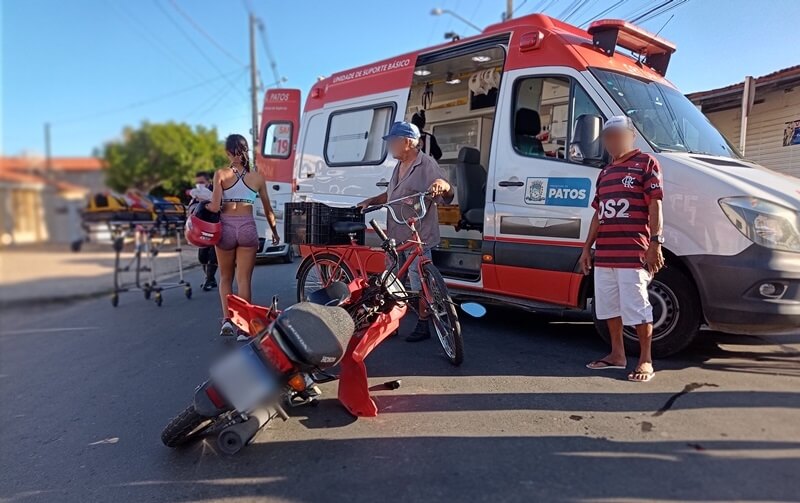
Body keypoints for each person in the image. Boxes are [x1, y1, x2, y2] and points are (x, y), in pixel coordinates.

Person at [579, 115, 665, 382]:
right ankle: (617, 355)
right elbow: (598, 213)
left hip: (633, 251)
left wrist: (655, 242)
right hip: (605, 253)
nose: (612, 141)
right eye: (607, 136)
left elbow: (656, 204)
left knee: (637, 307)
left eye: (618, 134)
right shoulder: (604, 173)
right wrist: (586, 249)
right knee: (608, 307)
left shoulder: (646, 163)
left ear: (631, 136)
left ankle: (646, 360)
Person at [357, 121, 453, 342]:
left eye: (393, 141)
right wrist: (372, 200)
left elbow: (447, 189)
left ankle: (423, 323)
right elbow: (393, 195)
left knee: (419, 281)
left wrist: (440, 184)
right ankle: (392, 322)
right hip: (395, 233)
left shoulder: (426, 164)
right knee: (391, 280)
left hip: (418, 234)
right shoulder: (399, 165)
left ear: (407, 142)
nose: (390, 146)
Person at [208, 134, 280, 340]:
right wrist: (274, 233)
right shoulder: (257, 177)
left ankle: (227, 321)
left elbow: (214, 206)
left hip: (226, 228)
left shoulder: (220, 174)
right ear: (246, 151)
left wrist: (199, 204)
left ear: (227, 152)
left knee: (225, 278)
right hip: (248, 228)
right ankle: (244, 328)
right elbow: (268, 210)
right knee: (244, 280)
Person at [188, 171, 218, 292]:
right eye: (197, 183)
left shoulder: (215, 191)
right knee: (202, 256)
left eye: (202, 182)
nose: (199, 185)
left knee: (213, 255)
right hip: (202, 228)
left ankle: (209, 280)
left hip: (215, 225)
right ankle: (209, 278)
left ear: (208, 182)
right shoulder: (196, 194)